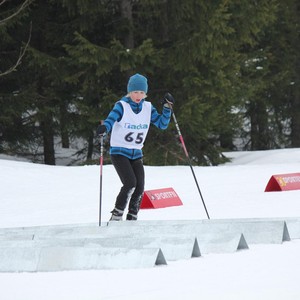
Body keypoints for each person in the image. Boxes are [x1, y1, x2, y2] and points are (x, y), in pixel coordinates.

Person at [97, 73, 175, 221]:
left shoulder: (148, 107)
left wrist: (167, 108)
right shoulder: (121, 106)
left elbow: (162, 124)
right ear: (129, 92)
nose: (138, 95)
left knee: (140, 187)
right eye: (135, 92)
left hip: (136, 153)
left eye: (141, 92)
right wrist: (104, 128)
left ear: (145, 93)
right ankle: (117, 215)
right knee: (130, 183)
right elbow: (110, 120)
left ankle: (132, 216)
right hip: (119, 152)